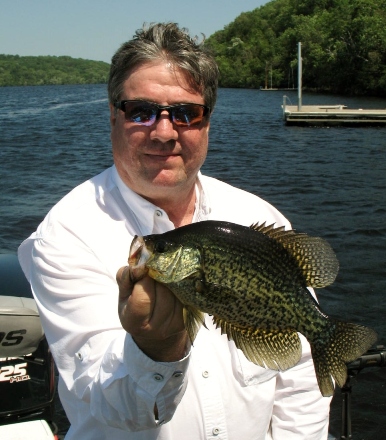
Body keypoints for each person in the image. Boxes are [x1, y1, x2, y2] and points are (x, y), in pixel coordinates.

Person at [18, 23, 332, 439]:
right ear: (113, 115)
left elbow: (300, 383)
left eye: (186, 113)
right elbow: (102, 401)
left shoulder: (256, 214)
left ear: (207, 122)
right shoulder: (65, 237)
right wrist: (156, 350)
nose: (164, 132)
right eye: (141, 111)